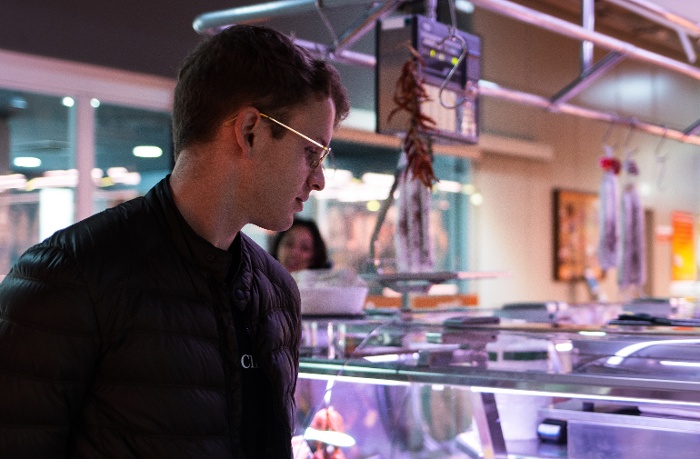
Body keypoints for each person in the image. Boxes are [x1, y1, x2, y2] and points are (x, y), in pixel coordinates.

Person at [0, 24, 349, 459]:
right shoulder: (66, 278)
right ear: (250, 131)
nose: (318, 179)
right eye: (312, 152)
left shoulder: (277, 291)